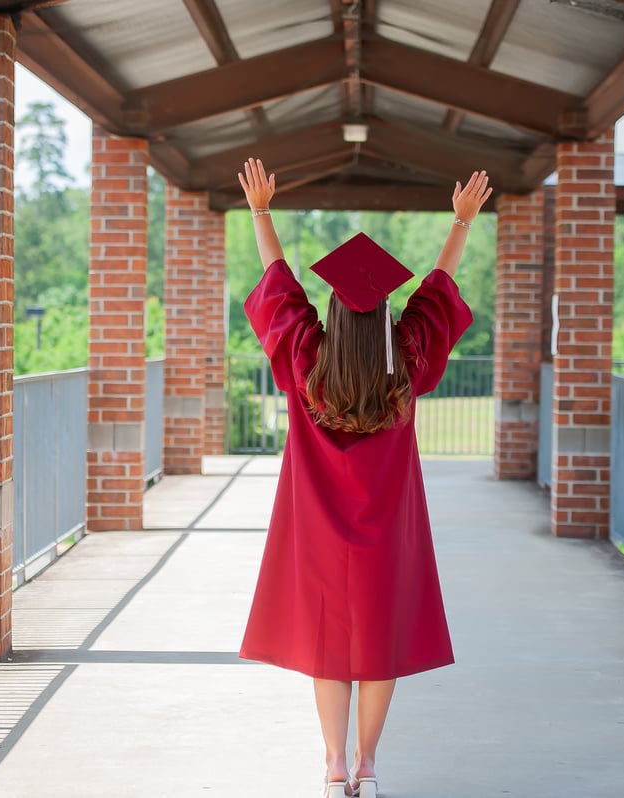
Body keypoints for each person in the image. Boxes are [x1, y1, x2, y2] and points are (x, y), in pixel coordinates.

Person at [235, 158, 493, 798]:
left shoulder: (305, 361)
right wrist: (459, 224)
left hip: (321, 533)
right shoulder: (406, 364)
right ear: (383, 319)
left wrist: (262, 213)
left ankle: (331, 767)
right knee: (377, 647)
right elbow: (438, 290)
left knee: (330, 648)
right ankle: (367, 767)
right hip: (386, 534)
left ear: (333, 316)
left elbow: (278, 286)